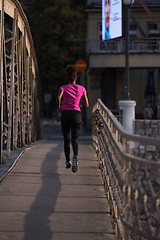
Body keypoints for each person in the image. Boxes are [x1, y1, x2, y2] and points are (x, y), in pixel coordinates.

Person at [56, 64, 89, 173]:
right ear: (76, 77)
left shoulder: (63, 88)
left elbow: (58, 98)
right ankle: (75, 156)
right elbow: (87, 105)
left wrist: (59, 107)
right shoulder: (82, 88)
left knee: (66, 139)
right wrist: (80, 101)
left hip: (65, 114)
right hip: (76, 115)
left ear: (68, 77)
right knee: (75, 139)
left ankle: (67, 161)